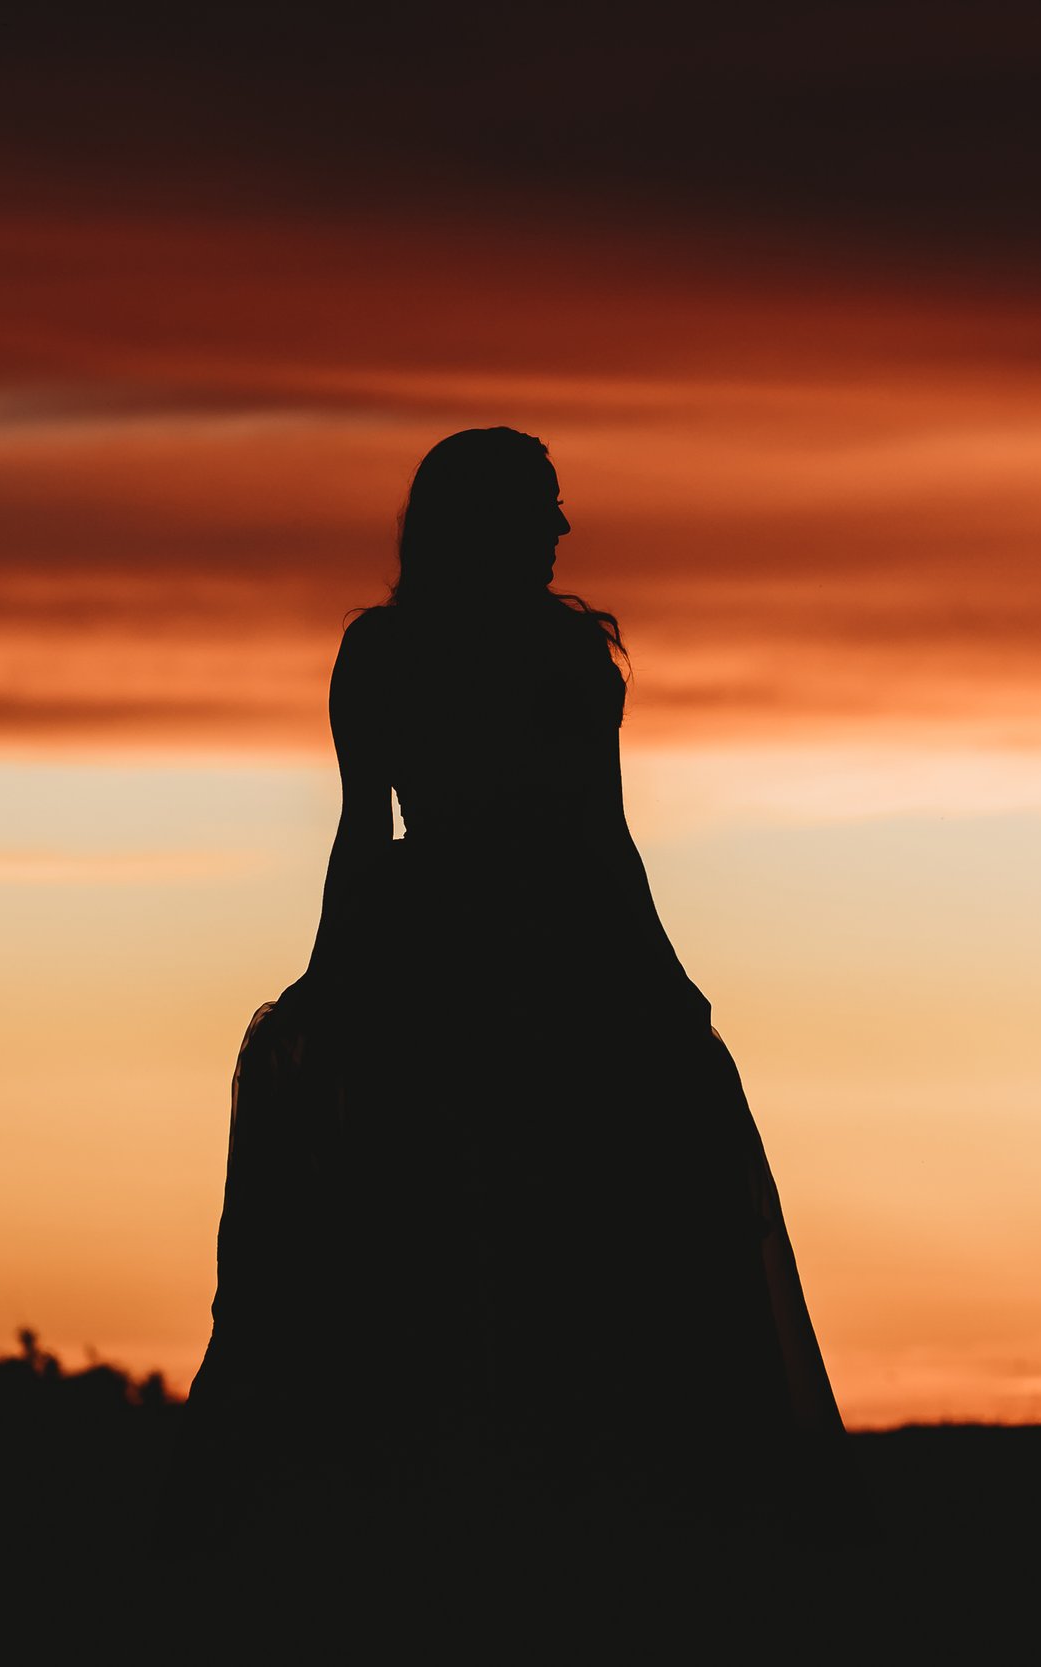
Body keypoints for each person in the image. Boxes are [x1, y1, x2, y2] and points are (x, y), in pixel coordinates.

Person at [181, 428, 853, 1555]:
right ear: (485, 519)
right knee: (465, 1248)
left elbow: (584, 835)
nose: (560, 528)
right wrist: (333, 994)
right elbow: (383, 832)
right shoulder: (431, 655)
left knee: (543, 1247)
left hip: (521, 955)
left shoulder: (513, 653)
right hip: (498, 965)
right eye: (541, 505)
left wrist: (662, 986)